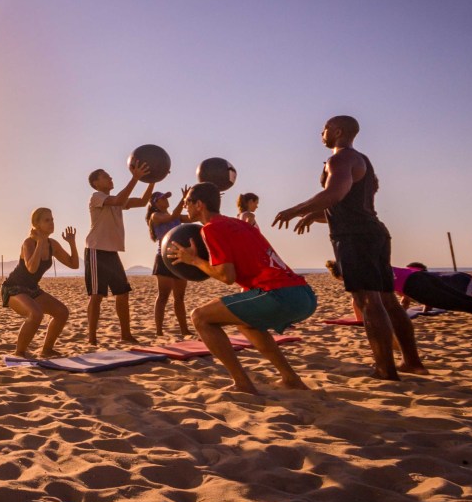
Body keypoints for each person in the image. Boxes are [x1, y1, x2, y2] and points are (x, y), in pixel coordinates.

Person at [273, 116, 426, 380]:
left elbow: (335, 194)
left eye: (325, 128)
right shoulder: (361, 159)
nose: (321, 133)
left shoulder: (340, 159)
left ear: (338, 131)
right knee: (388, 299)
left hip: (355, 237)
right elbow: (348, 203)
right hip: (373, 231)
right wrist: (315, 216)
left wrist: (294, 209)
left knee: (368, 300)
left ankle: (385, 369)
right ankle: (412, 362)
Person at [167, 183, 317, 395]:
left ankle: (242, 383)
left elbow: (227, 276)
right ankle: (291, 379)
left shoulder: (211, 228)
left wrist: (194, 260)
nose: (185, 207)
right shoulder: (239, 224)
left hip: (279, 295)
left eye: (187, 203)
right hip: (304, 295)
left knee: (200, 317)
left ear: (199, 204)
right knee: (247, 324)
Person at [84, 161, 153, 345]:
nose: (110, 178)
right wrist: (135, 178)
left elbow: (143, 202)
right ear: (96, 182)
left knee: (122, 293)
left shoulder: (116, 200)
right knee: (96, 296)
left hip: (112, 252)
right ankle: (91, 338)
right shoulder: (96, 197)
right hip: (96, 250)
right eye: (106, 176)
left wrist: (152, 180)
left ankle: (125, 334)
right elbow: (119, 200)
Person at [1, 208, 79, 358]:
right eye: (47, 220)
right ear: (36, 224)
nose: (51, 223)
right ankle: (19, 353)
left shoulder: (52, 245)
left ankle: (47, 350)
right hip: (13, 288)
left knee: (62, 312)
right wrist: (40, 243)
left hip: (32, 289)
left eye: (52, 219)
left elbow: (74, 264)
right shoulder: (28, 243)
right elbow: (31, 268)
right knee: (35, 314)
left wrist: (72, 243)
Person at [393, 263, 472, 323]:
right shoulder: (393, 268)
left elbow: (406, 302)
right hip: (456, 277)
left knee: (469, 305)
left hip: (454, 281)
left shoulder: (385, 277)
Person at [145, 187, 192, 337]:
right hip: (164, 259)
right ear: (155, 203)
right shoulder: (155, 216)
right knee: (163, 296)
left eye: (167, 197)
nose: (166, 200)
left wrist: (194, 202)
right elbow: (172, 217)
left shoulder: (176, 215)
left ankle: (184, 329)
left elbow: (192, 218)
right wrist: (183, 199)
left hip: (179, 258)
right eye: (163, 198)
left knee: (179, 297)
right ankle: (159, 332)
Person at [404, 263, 472, 306]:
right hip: (462, 276)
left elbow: (428, 303)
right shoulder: (431, 276)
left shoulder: (417, 282)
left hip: (460, 283)